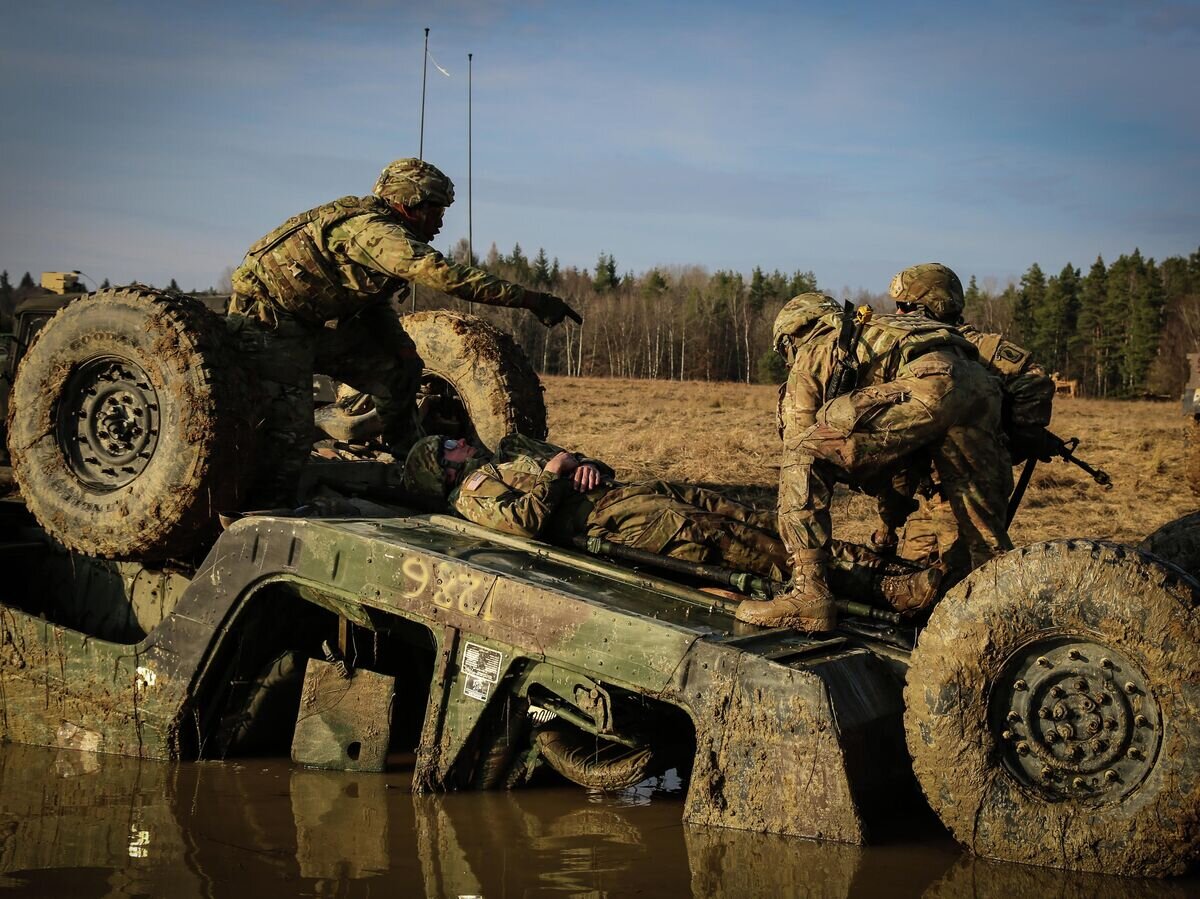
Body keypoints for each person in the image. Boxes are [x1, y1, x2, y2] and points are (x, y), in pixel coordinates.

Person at [227, 157, 581, 501]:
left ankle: (409, 462)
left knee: (399, 369)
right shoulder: (375, 232)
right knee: (290, 434)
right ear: (409, 204)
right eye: (436, 212)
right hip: (267, 325)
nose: (440, 225)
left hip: (311, 326)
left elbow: (370, 302)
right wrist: (531, 300)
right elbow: (442, 274)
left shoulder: (386, 234)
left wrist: (402, 348)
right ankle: (256, 510)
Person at [402, 433, 942, 614]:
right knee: (746, 548)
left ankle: (872, 561)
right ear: (444, 470)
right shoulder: (472, 496)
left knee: (757, 520)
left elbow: (578, 461)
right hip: (626, 525)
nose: (460, 440)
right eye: (448, 446)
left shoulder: (504, 455)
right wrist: (554, 474)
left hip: (629, 495)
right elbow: (522, 523)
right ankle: (886, 590)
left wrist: (583, 466)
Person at [733, 292, 1012, 631]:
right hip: (978, 384)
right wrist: (888, 525)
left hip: (924, 385)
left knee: (804, 450)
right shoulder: (876, 330)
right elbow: (900, 467)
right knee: (976, 521)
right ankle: (1000, 609)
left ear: (792, 333)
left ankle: (808, 593)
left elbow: (800, 436)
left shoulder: (817, 344)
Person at [883, 263, 1054, 577]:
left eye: (906, 307)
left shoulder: (982, 348)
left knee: (975, 573)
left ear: (933, 306)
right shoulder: (915, 348)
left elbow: (1035, 381)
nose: (900, 314)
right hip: (929, 488)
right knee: (915, 573)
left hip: (968, 485)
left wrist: (1002, 435)